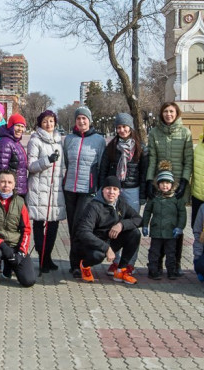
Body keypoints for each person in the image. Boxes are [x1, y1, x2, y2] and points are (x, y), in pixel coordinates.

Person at [146, 102, 193, 276]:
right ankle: (156, 264)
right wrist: (149, 180)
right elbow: (152, 158)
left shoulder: (185, 133)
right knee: (160, 219)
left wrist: (184, 182)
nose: (168, 114)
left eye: (171, 111)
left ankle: (175, 264)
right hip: (160, 182)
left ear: (177, 113)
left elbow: (188, 160)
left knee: (175, 222)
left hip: (178, 183)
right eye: (165, 111)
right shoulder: (154, 132)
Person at [98, 112, 148, 276]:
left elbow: (144, 173)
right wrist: (102, 189)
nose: (122, 130)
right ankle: (116, 261)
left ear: (131, 127)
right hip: (115, 190)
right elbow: (104, 169)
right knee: (113, 224)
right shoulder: (112, 147)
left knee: (131, 226)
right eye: (119, 127)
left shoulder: (140, 148)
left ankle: (129, 263)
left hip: (133, 189)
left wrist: (143, 195)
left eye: (125, 126)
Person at [62, 106, 107, 278]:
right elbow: (67, 161)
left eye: (84, 118)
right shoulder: (69, 139)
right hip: (70, 189)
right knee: (72, 228)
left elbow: (101, 165)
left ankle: (80, 263)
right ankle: (74, 264)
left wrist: (99, 188)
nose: (81, 121)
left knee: (81, 227)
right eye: (79, 118)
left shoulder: (99, 140)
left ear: (90, 120)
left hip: (88, 190)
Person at [74, 176, 142, 285]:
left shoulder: (121, 203)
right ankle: (85, 266)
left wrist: (121, 225)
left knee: (135, 233)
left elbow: (138, 219)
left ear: (119, 192)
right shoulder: (93, 206)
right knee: (97, 256)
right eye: (108, 188)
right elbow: (83, 233)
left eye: (115, 189)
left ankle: (121, 271)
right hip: (92, 244)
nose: (111, 192)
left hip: (110, 240)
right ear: (102, 190)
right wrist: (106, 248)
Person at [0, 169, 35, 287]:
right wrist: (2, 245)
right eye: (2, 182)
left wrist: (21, 253)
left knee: (29, 281)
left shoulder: (20, 202)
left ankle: (9, 266)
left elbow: (26, 229)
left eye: (9, 182)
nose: (6, 185)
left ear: (14, 185)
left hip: (14, 243)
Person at [26, 110, 65, 273]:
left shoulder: (59, 141)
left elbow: (62, 166)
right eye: (45, 121)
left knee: (53, 225)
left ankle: (47, 257)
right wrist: (47, 160)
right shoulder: (35, 140)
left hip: (55, 190)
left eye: (51, 121)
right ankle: (42, 257)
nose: (48, 124)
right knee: (39, 224)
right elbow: (31, 166)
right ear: (40, 124)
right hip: (39, 189)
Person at [141, 166, 186, 280]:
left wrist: (180, 227)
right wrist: (145, 225)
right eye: (162, 183)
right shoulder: (154, 198)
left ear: (172, 184)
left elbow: (182, 214)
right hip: (156, 231)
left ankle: (171, 271)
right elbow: (147, 211)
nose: (164, 185)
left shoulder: (177, 199)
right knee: (154, 252)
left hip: (171, 232)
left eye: (167, 183)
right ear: (158, 184)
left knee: (171, 252)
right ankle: (153, 270)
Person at [0, 113, 29, 197]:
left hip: (17, 188)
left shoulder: (15, 142)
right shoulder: (5, 143)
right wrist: (5, 192)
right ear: (10, 126)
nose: (20, 129)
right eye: (17, 126)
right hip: (10, 191)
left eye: (22, 126)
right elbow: (1, 170)